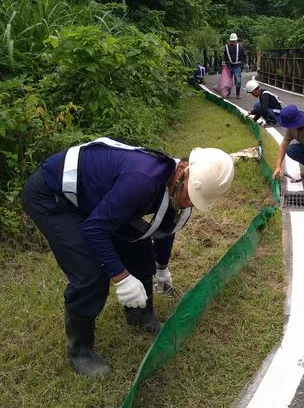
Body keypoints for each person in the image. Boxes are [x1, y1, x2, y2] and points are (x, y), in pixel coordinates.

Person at [21, 137, 235, 377]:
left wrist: (162, 267)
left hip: (93, 197)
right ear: (184, 171)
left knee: (139, 249)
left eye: (195, 201)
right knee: (90, 271)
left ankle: (140, 317)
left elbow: (164, 227)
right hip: (53, 197)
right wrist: (121, 278)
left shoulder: (173, 184)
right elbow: (95, 229)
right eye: (188, 195)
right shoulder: (143, 181)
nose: (188, 202)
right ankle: (79, 351)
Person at [223, 33, 247, 99]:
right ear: (230, 41)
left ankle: (238, 93)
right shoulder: (227, 48)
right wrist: (225, 63)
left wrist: (244, 63)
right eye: (232, 41)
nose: (233, 42)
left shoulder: (240, 47)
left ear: (236, 40)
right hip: (229, 66)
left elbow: (244, 55)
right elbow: (225, 56)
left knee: (238, 80)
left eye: (234, 41)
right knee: (228, 80)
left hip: (237, 66)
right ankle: (227, 92)